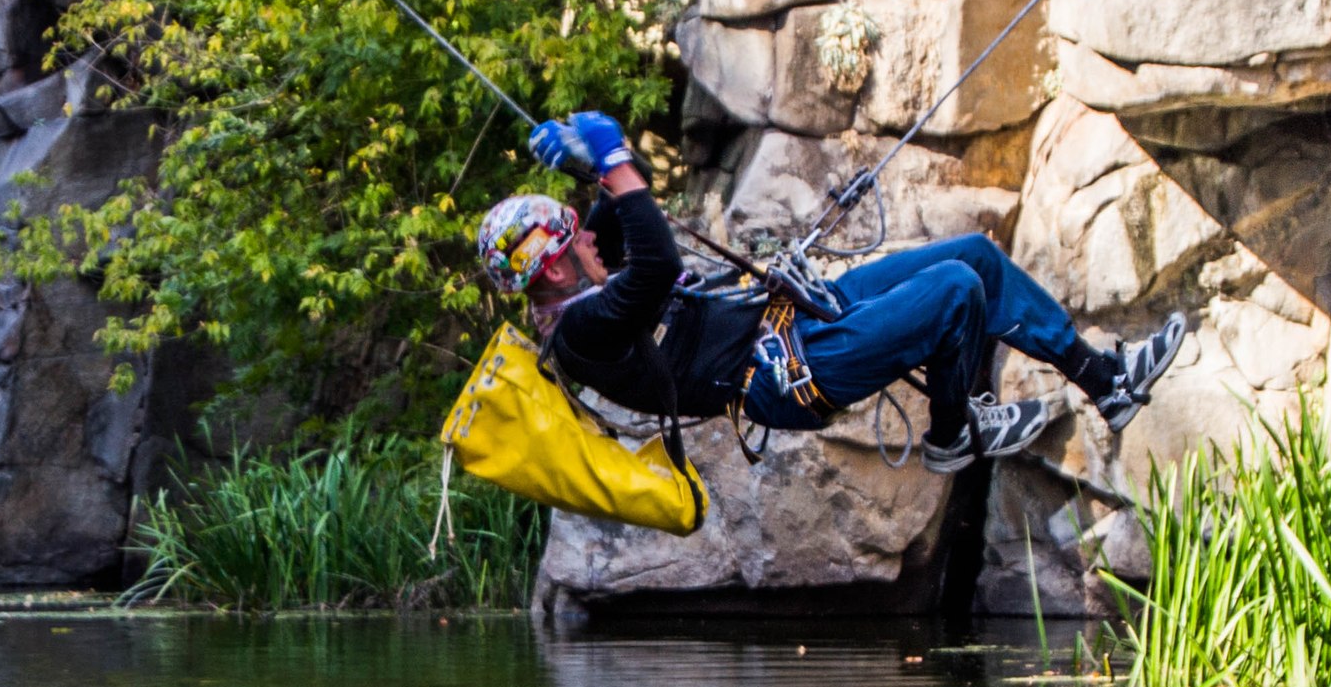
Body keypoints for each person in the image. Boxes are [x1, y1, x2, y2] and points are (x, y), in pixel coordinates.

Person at [475, 111, 1185, 473]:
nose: (590, 239)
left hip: (792, 321)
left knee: (973, 256)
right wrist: (615, 160)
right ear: (553, 272)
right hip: (782, 377)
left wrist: (593, 162)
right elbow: (655, 261)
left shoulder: (583, 281)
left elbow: (628, 215)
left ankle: (1105, 380)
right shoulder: (580, 329)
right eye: (576, 242)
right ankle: (950, 434)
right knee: (954, 291)